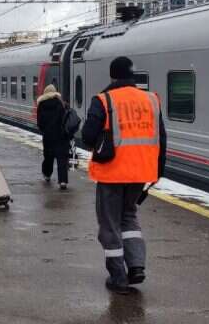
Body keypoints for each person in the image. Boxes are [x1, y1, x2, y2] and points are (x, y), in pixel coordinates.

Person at [81, 56, 166, 295]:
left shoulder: (104, 99)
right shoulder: (151, 100)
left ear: (112, 76)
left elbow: (87, 136)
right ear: (133, 76)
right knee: (129, 218)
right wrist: (159, 171)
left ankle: (118, 277)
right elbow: (162, 138)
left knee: (109, 224)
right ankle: (137, 266)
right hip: (141, 172)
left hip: (112, 173)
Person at [36, 84, 73, 190]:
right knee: (62, 159)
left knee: (48, 157)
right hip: (61, 136)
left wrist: (45, 130)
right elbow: (65, 119)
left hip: (48, 136)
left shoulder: (41, 105)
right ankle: (63, 181)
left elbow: (40, 123)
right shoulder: (61, 103)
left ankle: (47, 175)